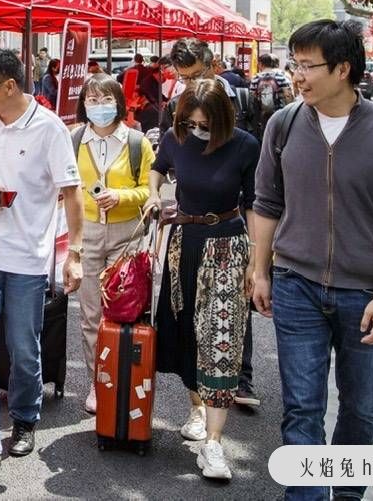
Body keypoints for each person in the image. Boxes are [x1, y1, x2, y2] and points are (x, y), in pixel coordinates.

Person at [249, 19, 373, 501]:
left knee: (361, 407)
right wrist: (259, 270)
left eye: (308, 66)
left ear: (344, 68)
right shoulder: (282, 126)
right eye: (294, 64)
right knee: (301, 408)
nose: (297, 76)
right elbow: (266, 203)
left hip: (364, 294)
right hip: (295, 285)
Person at [0, 47, 84, 485]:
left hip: (26, 259)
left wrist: (76, 253)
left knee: (25, 350)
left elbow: (71, 193)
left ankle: (26, 417)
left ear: (10, 86)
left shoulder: (49, 130)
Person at [146, 78, 259, 482]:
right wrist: (153, 194)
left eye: (205, 122)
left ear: (223, 118)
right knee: (184, 335)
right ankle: (196, 408)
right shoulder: (175, 138)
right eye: (190, 121)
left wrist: (258, 263)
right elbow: (157, 171)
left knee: (220, 339)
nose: (197, 129)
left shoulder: (245, 145)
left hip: (227, 247)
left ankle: (213, 442)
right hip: (183, 243)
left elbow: (256, 204)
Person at [72, 74, 154, 415]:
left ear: (119, 103)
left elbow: (150, 192)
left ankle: (124, 377)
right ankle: (97, 380)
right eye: (92, 99)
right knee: (90, 313)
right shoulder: (74, 140)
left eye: (106, 100)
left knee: (124, 312)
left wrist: (121, 196)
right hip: (87, 234)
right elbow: (65, 188)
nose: (99, 106)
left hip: (127, 236)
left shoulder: (137, 143)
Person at [251, 53, 294, 138]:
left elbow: (252, 97)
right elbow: (288, 96)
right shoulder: (281, 77)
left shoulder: (255, 78)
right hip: (280, 113)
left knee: (264, 135)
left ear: (260, 64)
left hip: (262, 115)